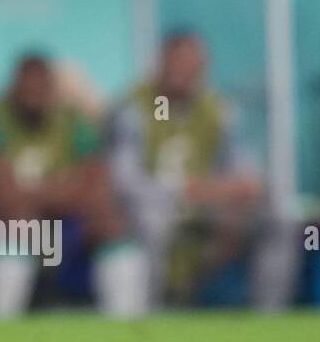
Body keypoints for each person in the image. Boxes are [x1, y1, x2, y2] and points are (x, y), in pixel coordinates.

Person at [0, 53, 139, 318]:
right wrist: (65, 186)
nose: (34, 93)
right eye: (28, 86)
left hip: (64, 226)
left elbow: (95, 189)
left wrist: (31, 192)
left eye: (41, 86)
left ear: (52, 88)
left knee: (111, 226)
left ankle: (130, 333)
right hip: (2, 227)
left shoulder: (75, 123)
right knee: (15, 231)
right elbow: (3, 199)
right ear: (15, 87)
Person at [107, 31, 263, 309]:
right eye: (178, 62)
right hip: (151, 203)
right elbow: (124, 179)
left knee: (277, 219)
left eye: (192, 63)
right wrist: (179, 190)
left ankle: (269, 314)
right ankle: (150, 313)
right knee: (152, 221)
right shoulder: (134, 107)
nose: (184, 70)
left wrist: (227, 189)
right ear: (161, 63)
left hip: (209, 202)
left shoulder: (219, 109)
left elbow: (245, 173)